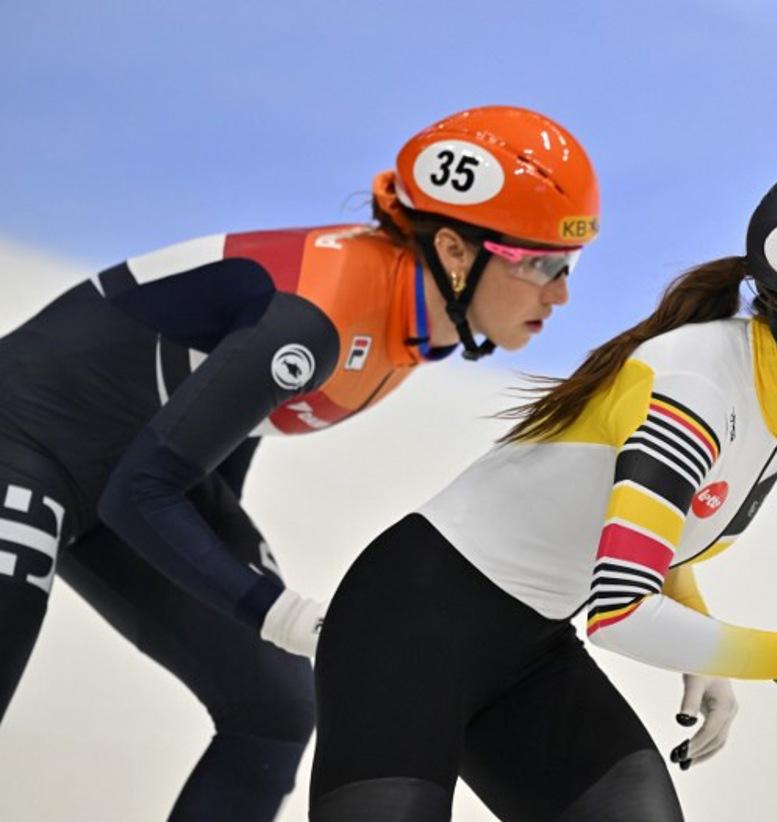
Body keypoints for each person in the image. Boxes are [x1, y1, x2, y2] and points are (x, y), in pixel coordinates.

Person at [309, 157, 777, 821]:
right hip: (405, 628)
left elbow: (658, 529)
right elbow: (620, 613)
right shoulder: (695, 389)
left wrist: (701, 640)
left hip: (529, 651)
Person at [0, 105, 599, 820]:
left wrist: (242, 582)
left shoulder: (415, 317)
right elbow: (144, 491)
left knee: (276, 707)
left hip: (130, 468)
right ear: (455, 250)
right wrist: (279, 612)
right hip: (21, 442)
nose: (562, 293)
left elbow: (213, 425)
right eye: (543, 263)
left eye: (570, 264)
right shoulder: (318, 315)